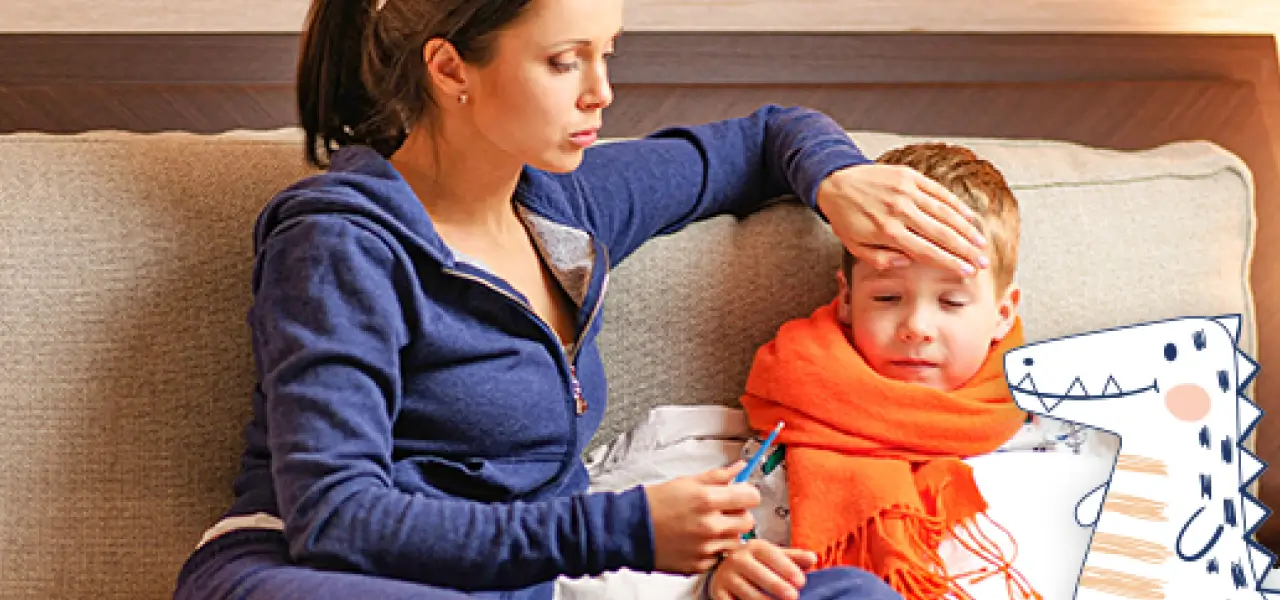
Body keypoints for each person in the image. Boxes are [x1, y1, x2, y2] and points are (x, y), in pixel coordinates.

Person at [170, 0, 991, 597]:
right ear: (450, 66)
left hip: (518, 582)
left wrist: (835, 178)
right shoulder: (339, 244)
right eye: (565, 60)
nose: (601, 91)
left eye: (608, 53)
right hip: (312, 573)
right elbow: (337, 519)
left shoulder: (568, 202)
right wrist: (624, 531)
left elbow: (768, 135)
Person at [723, 143, 1038, 600]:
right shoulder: (778, 431)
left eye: (951, 302)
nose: (916, 327)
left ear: (1003, 313)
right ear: (848, 299)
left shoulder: (1064, 429)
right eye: (888, 298)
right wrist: (721, 576)